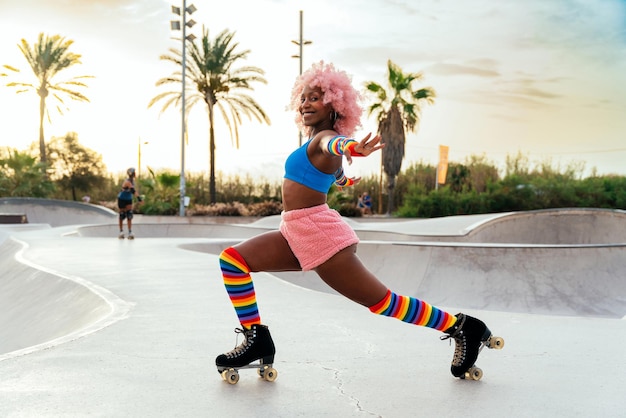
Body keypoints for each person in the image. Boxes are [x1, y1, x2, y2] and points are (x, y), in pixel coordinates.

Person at [215, 61, 501, 380]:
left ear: (335, 105)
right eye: (304, 98)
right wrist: (344, 181)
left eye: (315, 98)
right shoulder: (314, 145)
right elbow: (332, 168)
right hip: (294, 231)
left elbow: (334, 146)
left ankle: (462, 327)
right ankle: (256, 339)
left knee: (383, 302)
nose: (306, 103)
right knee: (233, 261)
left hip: (319, 236)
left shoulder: (325, 139)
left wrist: (353, 147)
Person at [117, 167, 142, 239]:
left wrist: (138, 198)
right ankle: (121, 231)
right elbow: (133, 190)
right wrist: (139, 199)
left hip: (128, 199)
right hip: (122, 199)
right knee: (122, 215)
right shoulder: (127, 182)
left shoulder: (132, 181)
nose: (135, 174)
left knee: (129, 215)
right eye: (134, 173)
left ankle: (130, 231)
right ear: (132, 174)